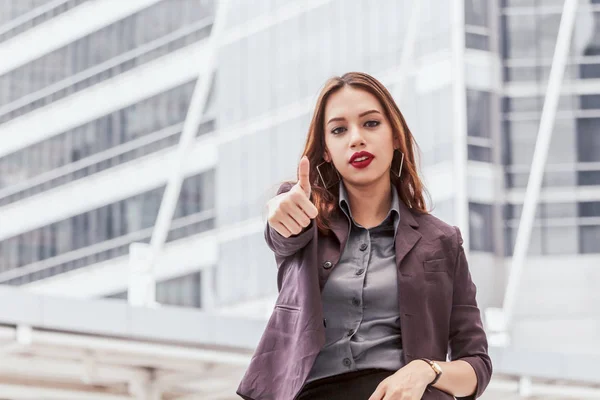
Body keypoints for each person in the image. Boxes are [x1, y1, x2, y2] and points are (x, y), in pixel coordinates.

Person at [236, 72, 492, 400]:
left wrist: (427, 369)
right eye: (339, 130)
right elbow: (284, 232)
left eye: (371, 124)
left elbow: (477, 365)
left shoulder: (442, 241)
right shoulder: (306, 215)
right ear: (326, 151)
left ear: (395, 136)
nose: (356, 139)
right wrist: (280, 213)